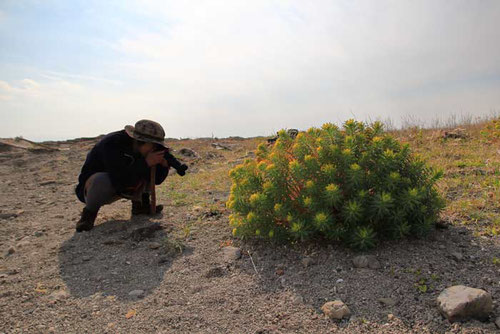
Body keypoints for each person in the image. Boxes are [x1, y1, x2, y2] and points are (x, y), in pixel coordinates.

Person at [74, 119, 188, 232]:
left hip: (123, 184)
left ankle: (141, 207)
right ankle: (88, 215)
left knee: (142, 168)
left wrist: (163, 166)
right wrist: (146, 163)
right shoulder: (112, 144)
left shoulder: (144, 150)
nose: (154, 149)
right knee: (101, 180)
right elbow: (119, 179)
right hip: (94, 189)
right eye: (153, 145)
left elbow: (156, 180)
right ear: (139, 141)